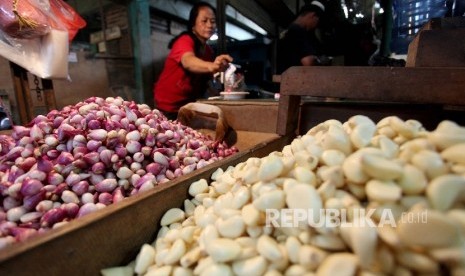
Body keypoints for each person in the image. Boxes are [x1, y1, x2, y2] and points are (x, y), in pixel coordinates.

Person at [153, 1, 233, 120]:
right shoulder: (184, 40)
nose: (210, 25)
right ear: (193, 25)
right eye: (204, 21)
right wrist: (212, 66)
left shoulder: (208, 51)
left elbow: (206, 80)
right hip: (168, 105)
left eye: (213, 21)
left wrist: (222, 96)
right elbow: (188, 61)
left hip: (188, 105)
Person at [276, 1, 326, 74]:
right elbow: (308, 62)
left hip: (284, 80)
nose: (315, 25)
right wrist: (320, 60)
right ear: (313, 15)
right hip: (294, 81)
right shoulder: (298, 32)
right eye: (317, 21)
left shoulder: (287, 31)